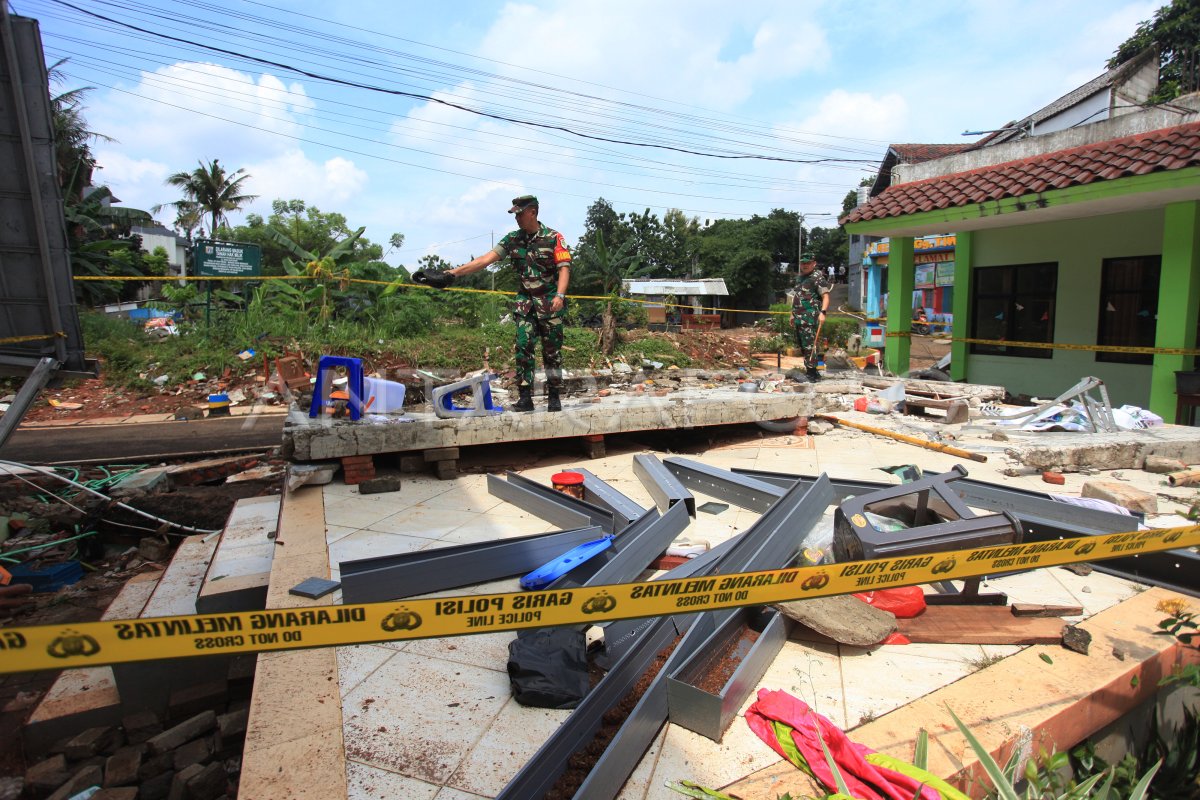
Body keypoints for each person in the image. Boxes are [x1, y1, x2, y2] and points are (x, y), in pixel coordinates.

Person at [447, 195, 571, 412]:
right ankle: (525, 398)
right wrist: (452, 273)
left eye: (520, 213)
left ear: (532, 212)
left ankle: (554, 397)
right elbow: (485, 260)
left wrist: (559, 296)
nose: (517, 218)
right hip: (525, 305)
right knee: (523, 349)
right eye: (514, 214)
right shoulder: (512, 239)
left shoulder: (553, 238)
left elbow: (564, 268)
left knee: (552, 353)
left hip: (550, 305)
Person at [791, 259, 830, 381]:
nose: (805, 265)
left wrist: (823, 312)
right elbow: (796, 297)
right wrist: (792, 314)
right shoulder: (799, 278)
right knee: (803, 345)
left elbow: (826, 296)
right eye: (803, 263)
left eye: (808, 263)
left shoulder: (817, 277)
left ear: (814, 264)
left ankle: (812, 372)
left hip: (810, 318)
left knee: (810, 345)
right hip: (799, 318)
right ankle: (811, 370)